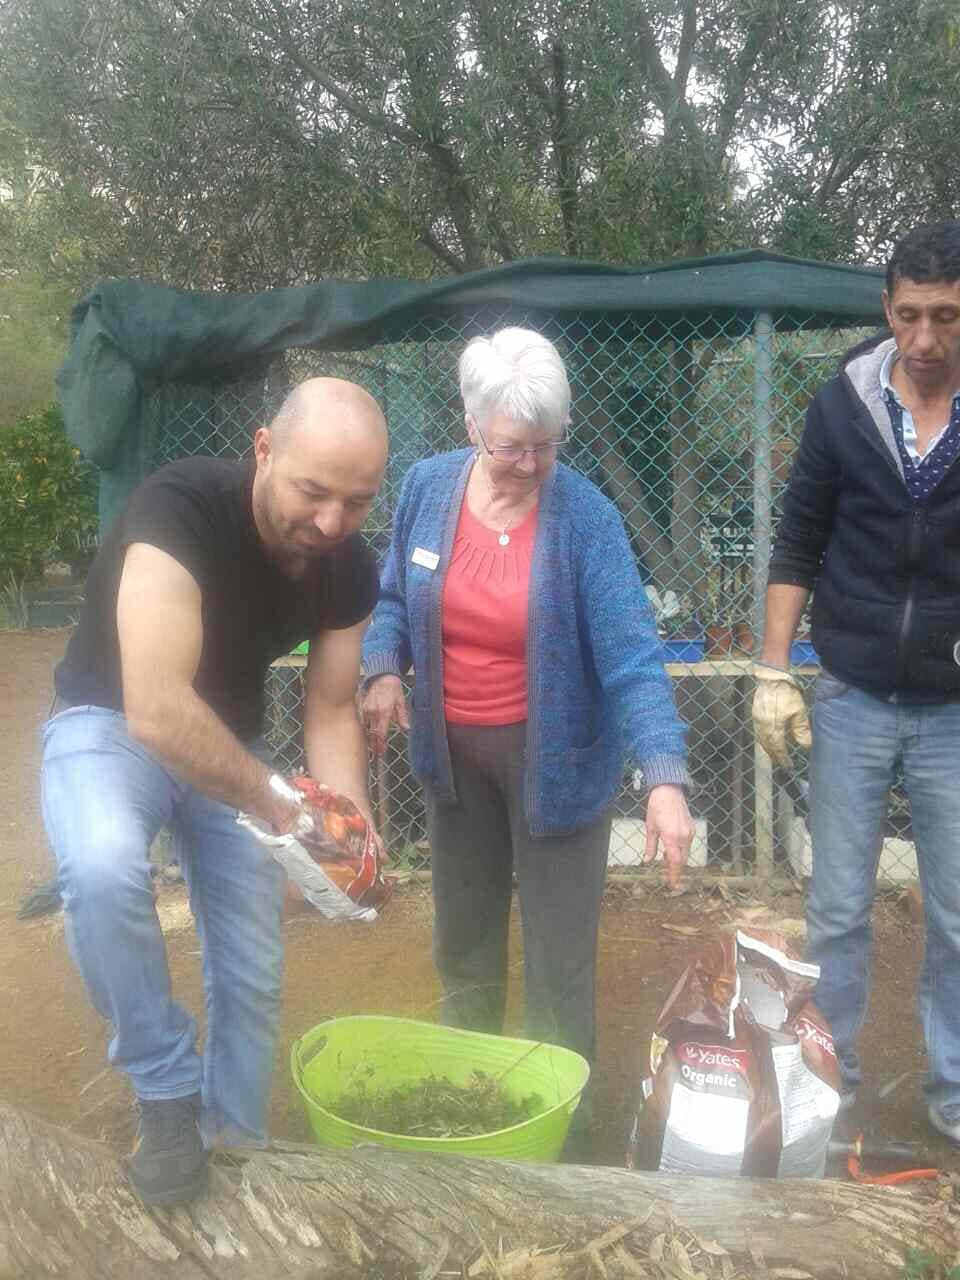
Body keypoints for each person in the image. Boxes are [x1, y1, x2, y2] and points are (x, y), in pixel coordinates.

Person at [41, 378, 388, 1205]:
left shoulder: (349, 564)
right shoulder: (180, 507)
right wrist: (278, 803)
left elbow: (333, 706)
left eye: (358, 501)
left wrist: (345, 822)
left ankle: (233, 1143)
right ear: (265, 449)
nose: (332, 522)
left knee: (253, 967)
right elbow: (156, 709)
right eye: (313, 491)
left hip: (233, 748)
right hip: (109, 723)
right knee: (100, 866)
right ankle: (164, 1089)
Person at [360, 327, 692, 1147]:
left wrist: (664, 774)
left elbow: (631, 654)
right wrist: (380, 668)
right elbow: (393, 598)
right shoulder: (427, 488)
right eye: (514, 448)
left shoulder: (586, 516)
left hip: (559, 769)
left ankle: (559, 1136)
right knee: (464, 945)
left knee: (557, 964)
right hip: (453, 765)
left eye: (548, 445)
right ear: (472, 426)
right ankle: (467, 1111)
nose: (533, 464)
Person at [753, 220, 960, 1143]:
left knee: (959, 914)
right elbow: (798, 540)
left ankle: (953, 1094)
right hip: (852, 697)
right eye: (910, 316)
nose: (925, 340)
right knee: (836, 910)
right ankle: (830, 1087)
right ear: (886, 309)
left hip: (953, 711)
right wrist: (772, 670)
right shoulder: (841, 406)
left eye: (947, 318)